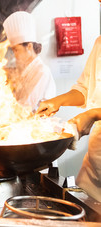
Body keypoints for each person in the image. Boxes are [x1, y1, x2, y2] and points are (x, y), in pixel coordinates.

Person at [37, 36, 101, 202]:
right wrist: (57, 101)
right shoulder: (100, 42)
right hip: (93, 170)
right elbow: (85, 90)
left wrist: (94, 114)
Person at [2, 11, 56, 111]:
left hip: (36, 124)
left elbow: (26, 107)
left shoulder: (42, 72)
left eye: (16, 50)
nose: (15, 54)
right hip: (22, 122)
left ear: (29, 46)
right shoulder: (25, 69)